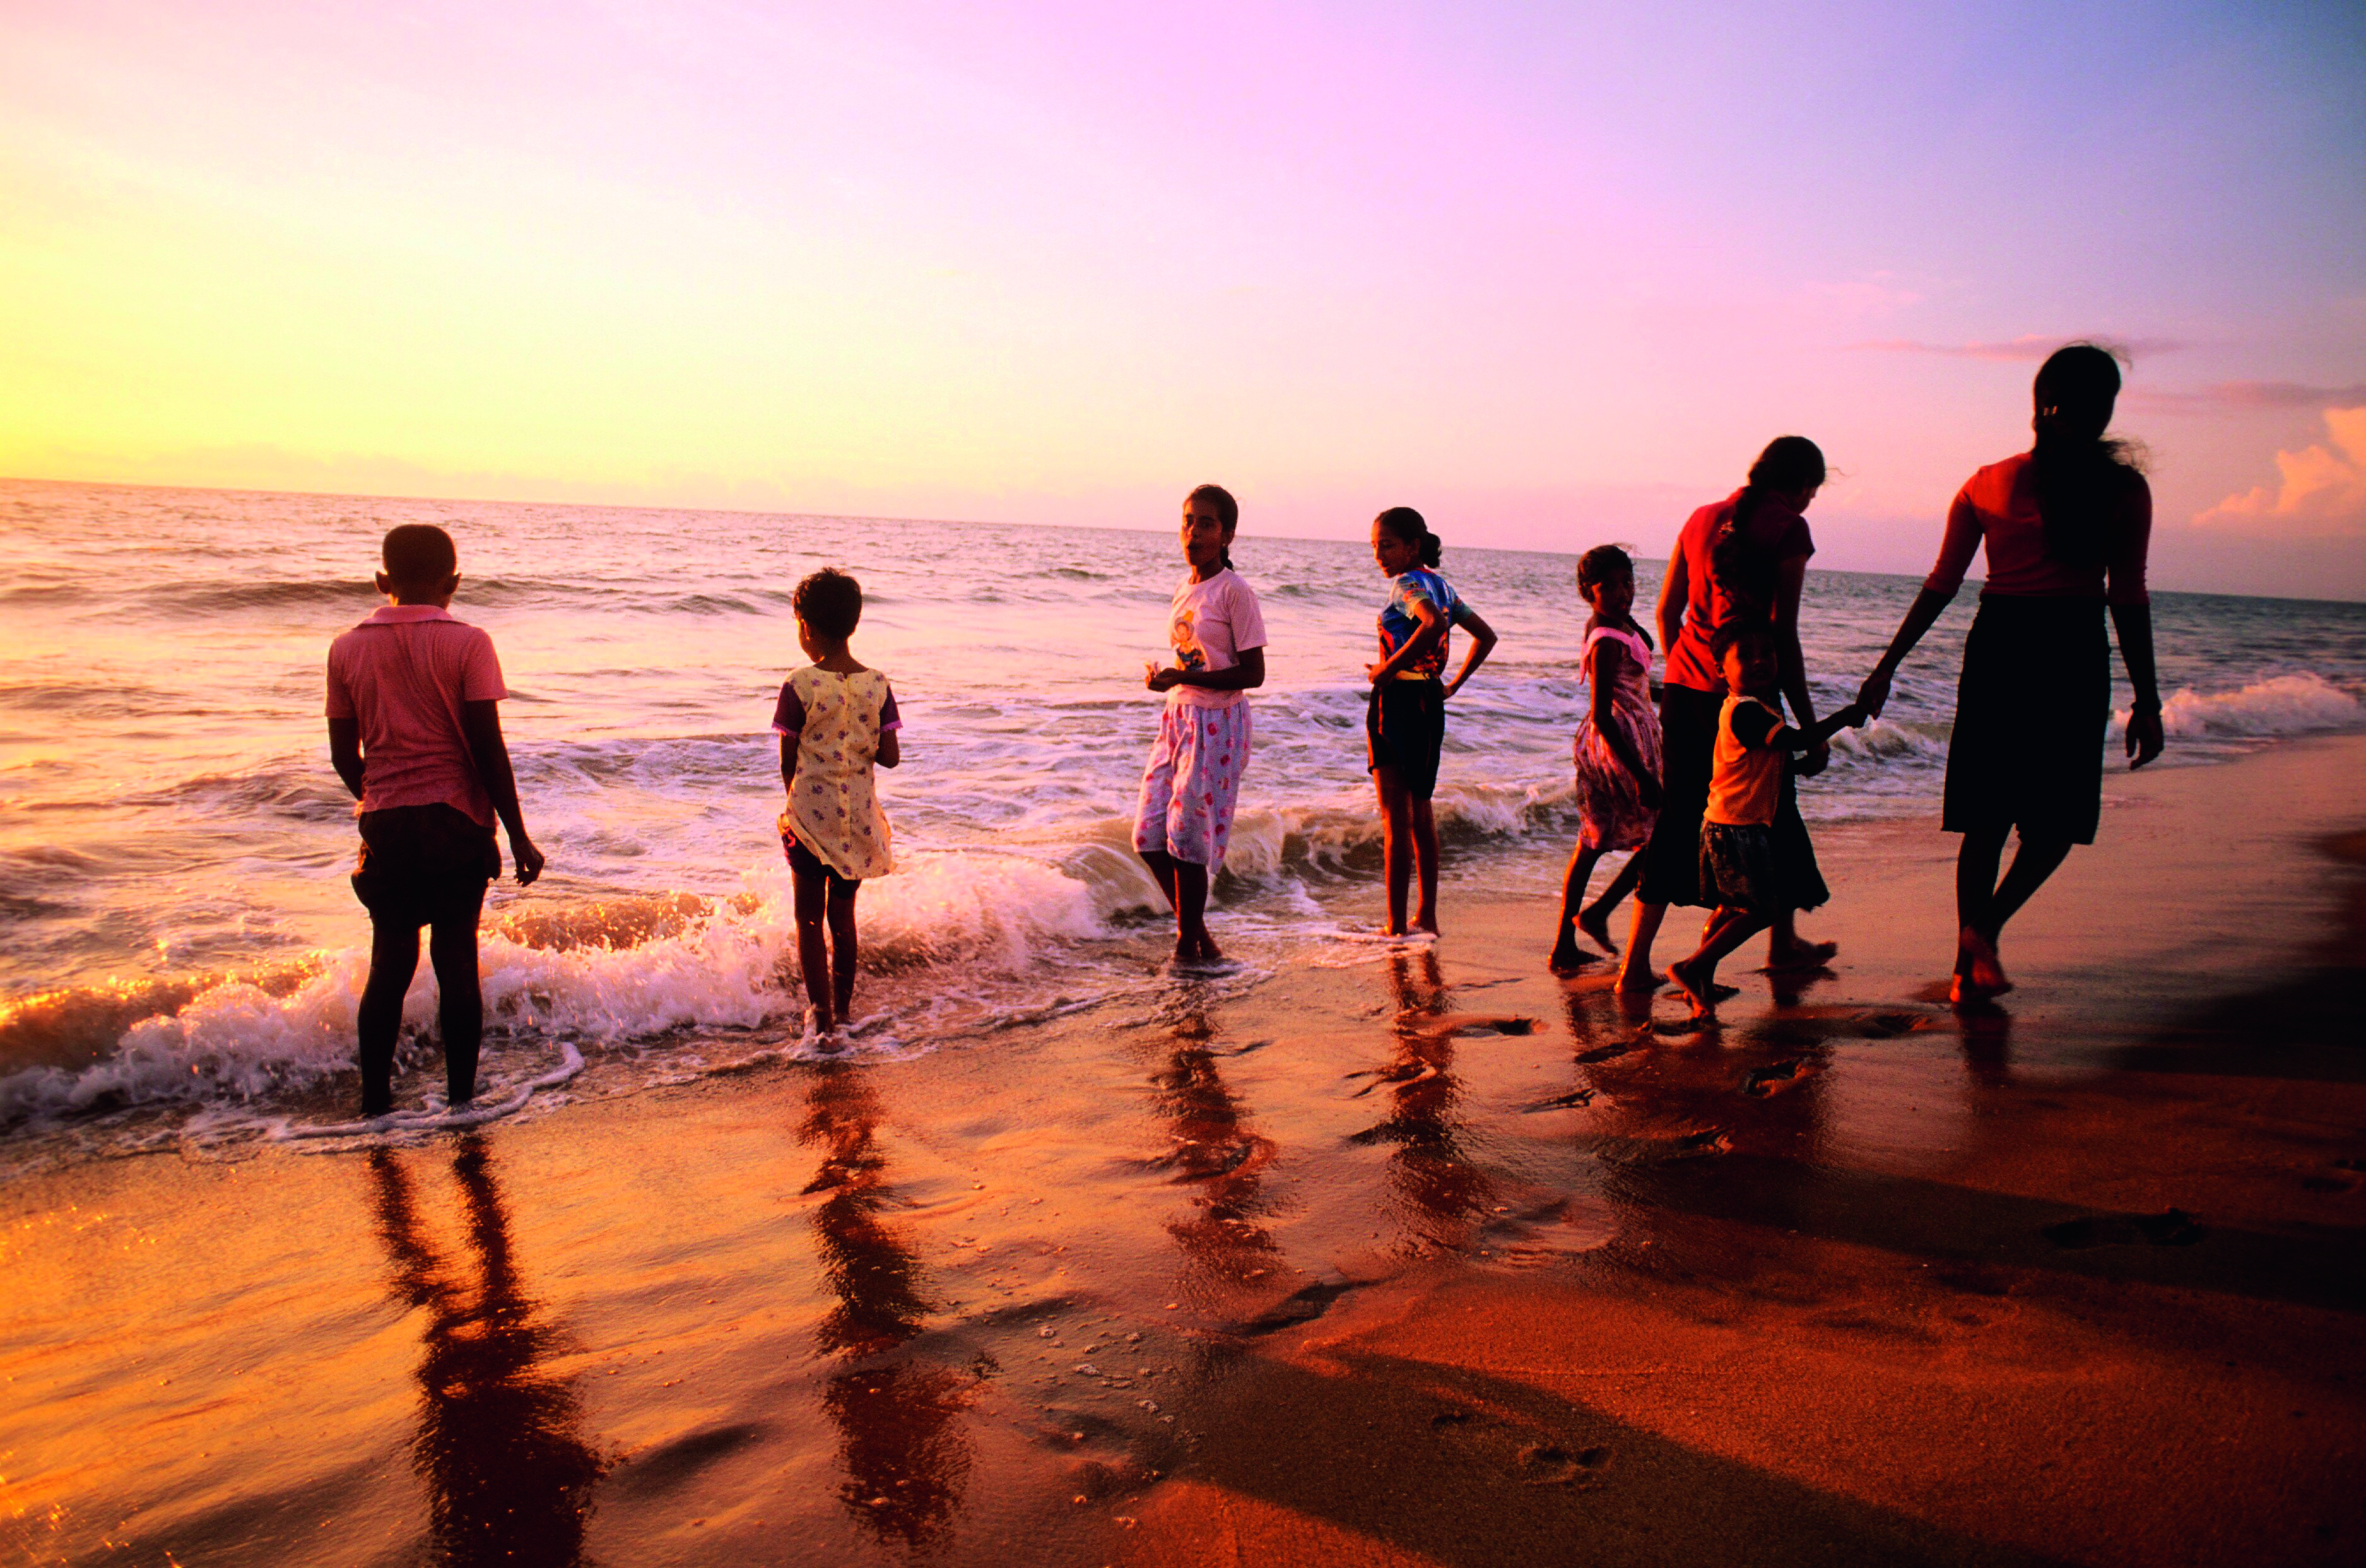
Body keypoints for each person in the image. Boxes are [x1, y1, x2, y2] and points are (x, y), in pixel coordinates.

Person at [1857, 343, 2163, 1003]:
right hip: (2073, 651)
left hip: (1999, 647)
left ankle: (1971, 961)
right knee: (2054, 825)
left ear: (2039, 405)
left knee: (1986, 821)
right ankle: (1983, 939)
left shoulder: (1986, 481)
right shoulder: (2124, 489)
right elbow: (2128, 595)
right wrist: (2148, 700)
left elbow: (1942, 583)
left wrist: (1887, 664)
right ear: (2100, 409)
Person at [327, 523, 544, 1119]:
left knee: (389, 969)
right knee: (456, 965)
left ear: (381, 581)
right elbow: (487, 747)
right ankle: (461, 1103)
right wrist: (517, 833)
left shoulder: (346, 648)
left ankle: (375, 1106)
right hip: (456, 826)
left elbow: (344, 755)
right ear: (454, 583)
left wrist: (378, 799)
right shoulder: (469, 642)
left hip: (389, 827)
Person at [1617, 437, 1837, 991]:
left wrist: (1691, 670)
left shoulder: (1700, 517)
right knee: (1774, 814)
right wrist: (1810, 727)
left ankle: (1634, 963)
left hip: (1689, 693)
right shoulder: (1788, 526)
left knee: (1678, 819)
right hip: (1748, 695)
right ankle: (1778, 945)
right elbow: (1783, 634)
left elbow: (1669, 610)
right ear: (1803, 486)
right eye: (1812, 490)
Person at [1666, 623, 1865, 1016]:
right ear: (1720, 669)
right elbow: (1790, 740)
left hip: (1733, 825)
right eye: (1746, 655)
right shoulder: (1746, 712)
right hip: (1737, 831)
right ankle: (1693, 967)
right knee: (1762, 911)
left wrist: (1800, 768)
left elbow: (1769, 761)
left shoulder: (1757, 708)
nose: (1760, 660)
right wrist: (1845, 716)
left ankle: (1700, 980)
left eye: (1768, 653)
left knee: (1730, 910)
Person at [1138, 484, 1267, 965]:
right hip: (1178, 716)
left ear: (1228, 535)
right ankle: (1200, 938)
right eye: (1188, 521)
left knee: (1189, 840)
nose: (1194, 531)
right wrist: (1168, 680)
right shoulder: (1184, 587)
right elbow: (1191, 657)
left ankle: (1186, 947)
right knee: (1148, 835)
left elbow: (1253, 673)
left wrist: (1189, 677)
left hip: (1218, 721)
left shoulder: (1235, 592)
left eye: (1207, 524)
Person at [774, 567, 901, 1039]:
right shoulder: (878, 684)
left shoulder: (799, 684)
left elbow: (788, 762)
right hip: (857, 824)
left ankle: (819, 1013)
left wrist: (796, 807)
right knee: (843, 918)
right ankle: (844, 1011)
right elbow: (890, 756)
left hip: (808, 821)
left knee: (807, 919)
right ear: (854, 622)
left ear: (806, 626)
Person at [1365, 507, 1498, 936]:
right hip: (1429, 698)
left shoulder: (1408, 585)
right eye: (1375, 547)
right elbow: (1486, 635)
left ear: (1412, 546)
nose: (1380, 555)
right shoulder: (1443, 586)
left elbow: (1432, 623)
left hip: (1399, 698)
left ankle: (1396, 925)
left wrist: (1387, 669)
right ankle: (1428, 915)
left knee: (1395, 818)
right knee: (1421, 810)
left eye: (1387, 544)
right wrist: (1453, 684)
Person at [1550, 545, 1664, 973]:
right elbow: (1602, 712)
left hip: (1617, 739)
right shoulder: (1606, 638)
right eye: (1610, 586)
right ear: (1588, 591)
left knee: (1592, 841)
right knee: (1663, 833)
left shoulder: (1616, 624)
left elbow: (1635, 687)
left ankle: (1565, 942)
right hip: (1619, 743)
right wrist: (1641, 775)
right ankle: (1599, 911)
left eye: (1628, 582)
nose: (1623, 592)